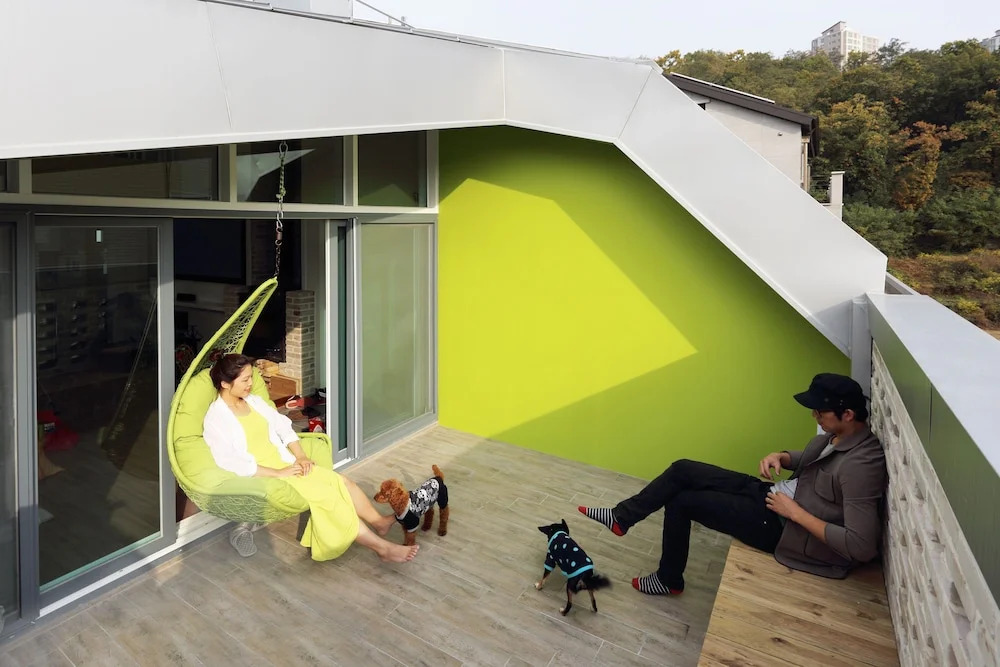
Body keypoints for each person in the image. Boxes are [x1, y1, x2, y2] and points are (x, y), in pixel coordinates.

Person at [579, 373, 887, 595]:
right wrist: (782, 456)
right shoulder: (838, 436)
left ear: (848, 414)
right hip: (774, 498)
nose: (814, 415)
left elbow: (861, 546)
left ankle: (668, 579)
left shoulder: (861, 466)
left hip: (782, 527)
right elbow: (818, 461)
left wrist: (793, 512)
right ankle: (621, 517)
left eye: (820, 411)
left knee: (682, 502)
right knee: (683, 469)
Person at [203, 353, 418, 563]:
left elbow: (282, 426)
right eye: (245, 380)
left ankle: (378, 522)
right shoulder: (216, 418)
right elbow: (230, 461)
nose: (251, 383)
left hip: (286, 463)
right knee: (329, 496)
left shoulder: (254, 401)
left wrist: (301, 456)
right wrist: (278, 473)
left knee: (342, 482)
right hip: (266, 474)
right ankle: (383, 549)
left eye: (251, 377)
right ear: (225, 384)